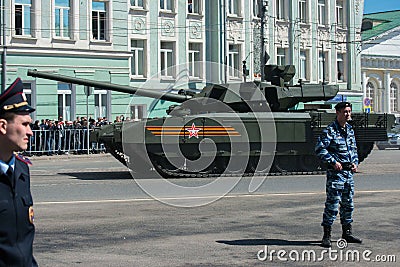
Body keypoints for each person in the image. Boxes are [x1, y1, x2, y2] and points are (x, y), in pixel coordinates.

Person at [0, 78, 38, 266]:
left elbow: (24, 243)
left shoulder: (22, 171)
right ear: (3, 126)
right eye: (24, 124)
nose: (30, 132)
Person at [315, 101, 362, 248]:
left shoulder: (349, 130)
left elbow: (353, 150)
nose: (347, 114)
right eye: (345, 112)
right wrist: (333, 161)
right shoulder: (330, 131)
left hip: (348, 174)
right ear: (338, 113)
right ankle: (326, 236)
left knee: (348, 204)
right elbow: (320, 148)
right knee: (332, 205)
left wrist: (355, 163)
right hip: (336, 175)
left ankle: (347, 233)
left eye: (349, 111)